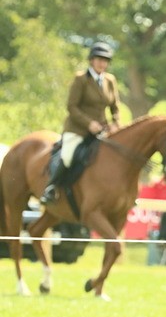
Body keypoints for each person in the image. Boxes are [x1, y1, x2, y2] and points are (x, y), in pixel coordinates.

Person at [41, 42, 121, 205]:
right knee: (68, 155)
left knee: (115, 155)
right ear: (91, 60)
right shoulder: (81, 79)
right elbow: (71, 106)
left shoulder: (110, 80)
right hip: (77, 129)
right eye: (99, 59)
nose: (102, 63)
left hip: (101, 130)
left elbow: (115, 106)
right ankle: (52, 187)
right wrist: (89, 123)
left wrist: (115, 122)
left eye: (105, 60)